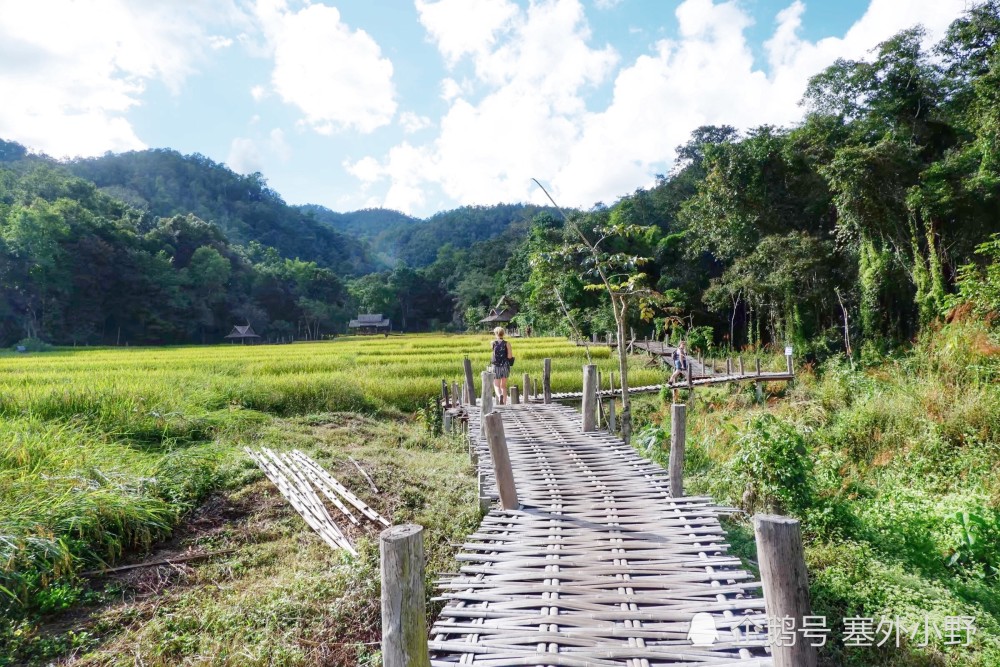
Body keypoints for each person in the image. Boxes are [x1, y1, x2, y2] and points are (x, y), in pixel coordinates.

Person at [489, 326, 513, 404]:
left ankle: (499, 396)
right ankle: (504, 403)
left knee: (496, 385)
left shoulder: (492, 343)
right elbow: (509, 356)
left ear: (496, 333)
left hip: (496, 366)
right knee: (503, 386)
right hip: (505, 366)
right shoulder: (507, 343)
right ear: (503, 333)